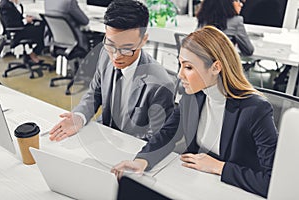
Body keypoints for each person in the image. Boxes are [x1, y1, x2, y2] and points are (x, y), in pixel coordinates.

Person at [111, 26, 278, 198]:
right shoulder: (193, 96)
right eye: (180, 65)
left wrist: (219, 167)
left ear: (216, 67)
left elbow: (274, 182)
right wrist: (141, 161)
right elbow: (168, 134)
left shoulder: (255, 110)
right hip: (195, 184)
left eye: (188, 67)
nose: (179, 75)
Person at [49, 0, 175, 142]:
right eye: (110, 44)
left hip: (131, 149)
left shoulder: (161, 84)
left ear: (143, 40)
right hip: (103, 135)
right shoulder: (104, 54)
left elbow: (157, 139)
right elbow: (94, 93)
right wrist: (80, 117)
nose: (116, 56)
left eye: (127, 49)